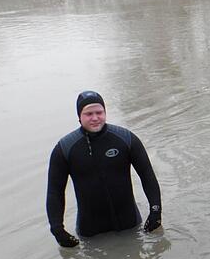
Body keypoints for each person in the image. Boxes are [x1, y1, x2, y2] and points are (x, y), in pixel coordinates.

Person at [46, 91, 162, 248]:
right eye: (88, 114)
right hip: (90, 233)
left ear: (105, 113)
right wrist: (57, 229)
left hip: (130, 225)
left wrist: (155, 211)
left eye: (99, 112)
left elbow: (147, 175)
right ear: (79, 116)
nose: (95, 118)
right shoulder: (65, 149)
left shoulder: (126, 139)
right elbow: (55, 192)